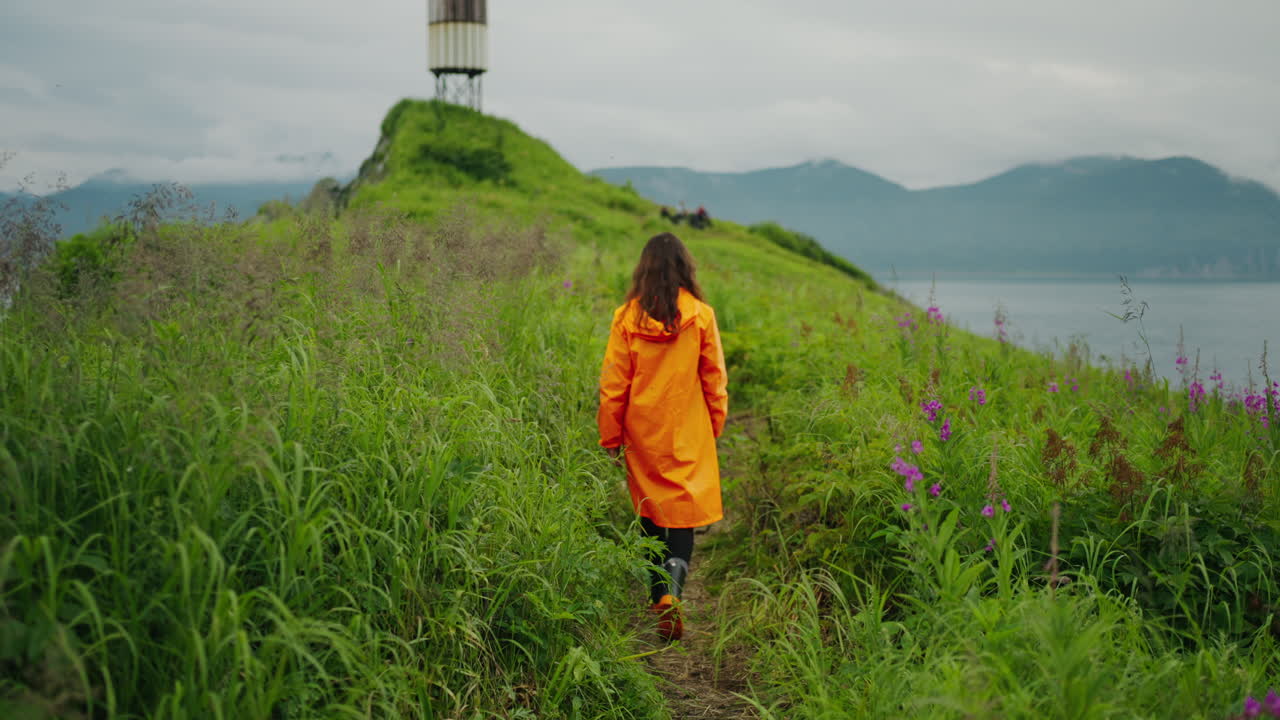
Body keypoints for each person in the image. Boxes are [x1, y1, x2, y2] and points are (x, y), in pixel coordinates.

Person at [597, 232, 728, 641]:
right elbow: (715, 380)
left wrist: (611, 436)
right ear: (685, 269)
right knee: (682, 514)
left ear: (644, 270)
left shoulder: (626, 318)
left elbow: (613, 385)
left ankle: (657, 594)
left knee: (650, 511)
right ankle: (672, 593)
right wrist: (714, 425)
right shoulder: (701, 315)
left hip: (642, 431)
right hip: (688, 430)